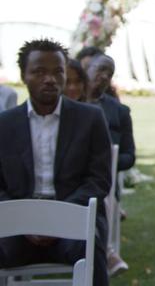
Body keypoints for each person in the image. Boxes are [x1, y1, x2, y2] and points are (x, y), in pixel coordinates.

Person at [0, 39, 112, 286]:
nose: (50, 78)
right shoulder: (4, 124)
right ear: (23, 75)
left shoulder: (90, 118)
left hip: (74, 224)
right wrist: (25, 219)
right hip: (17, 228)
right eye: (39, 71)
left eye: (57, 71)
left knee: (91, 248)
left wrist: (57, 219)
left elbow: (99, 180)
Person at [85, 54, 134, 276]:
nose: (104, 76)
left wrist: (108, 161)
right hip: (71, 175)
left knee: (102, 193)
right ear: (88, 68)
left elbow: (129, 156)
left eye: (110, 73)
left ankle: (106, 252)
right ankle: (108, 254)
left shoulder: (119, 112)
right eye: (101, 69)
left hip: (104, 177)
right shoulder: (71, 104)